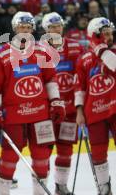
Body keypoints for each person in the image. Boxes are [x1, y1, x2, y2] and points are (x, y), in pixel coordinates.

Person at [0, 11, 65, 195]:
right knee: (9, 156)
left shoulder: (41, 51)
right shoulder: (2, 54)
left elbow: (50, 80)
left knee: (42, 156)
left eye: (29, 27)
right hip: (14, 116)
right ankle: (3, 192)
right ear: (15, 28)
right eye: (22, 27)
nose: (25, 30)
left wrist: (56, 102)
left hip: (40, 114)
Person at [41, 12, 83, 195]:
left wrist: (83, 105)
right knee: (42, 152)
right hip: (46, 111)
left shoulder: (75, 47)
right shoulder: (38, 50)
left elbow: (82, 76)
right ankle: (40, 188)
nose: (56, 29)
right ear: (45, 30)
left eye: (58, 25)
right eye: (52, 27)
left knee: (65, 150)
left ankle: (61, 186)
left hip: (70, 110)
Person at [75, 17, 116, 195]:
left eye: (110, 33)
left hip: (115, 108)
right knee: (98, 152)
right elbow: (80, 88)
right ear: (95, 36)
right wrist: (79, 111)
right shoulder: (84, 58)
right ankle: (104, 188)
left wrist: (102, 51)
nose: (109, 36)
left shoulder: (113, 52)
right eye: (104, 34)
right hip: (94, 111)